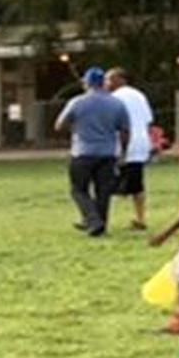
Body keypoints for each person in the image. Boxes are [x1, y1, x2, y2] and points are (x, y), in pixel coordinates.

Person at [54, 66, 130, 237]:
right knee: (103, 191)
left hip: (82, 152)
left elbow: (59, 125)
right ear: (103, 83)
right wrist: (123, 151)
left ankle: (93, 220)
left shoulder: (77, 102)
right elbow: (125, 130)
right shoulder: (117, 103)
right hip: (107, 153)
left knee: (78, 190)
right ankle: (101, 225)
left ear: (86, 83)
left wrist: (75, 126)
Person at [105, 67, 155, 230]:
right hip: (140, 144)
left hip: (122, 145)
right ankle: (140, 217)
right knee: (137, 184)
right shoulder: (139, 95)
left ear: (120, 79)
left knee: (105, 183)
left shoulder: (113, 98)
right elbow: (148, 121)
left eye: (109, 79)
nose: (106, 83)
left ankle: (101, 219)